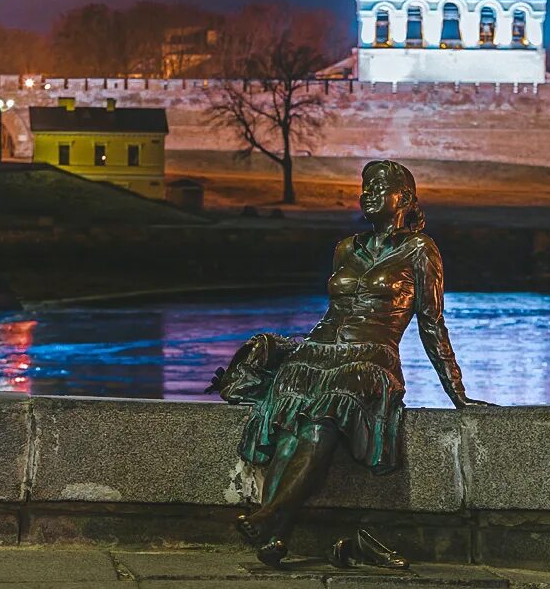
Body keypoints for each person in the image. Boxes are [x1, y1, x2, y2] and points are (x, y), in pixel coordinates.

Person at [208, 159, 490, 568]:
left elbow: (432, 323)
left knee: (326, 413)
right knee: (292, 417)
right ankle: (276, 533)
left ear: (405, 199)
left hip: (370, 359)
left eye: (379, 187)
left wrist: (457, 392)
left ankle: (271, 518)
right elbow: (331, 313)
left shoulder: (420, 250)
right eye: (365, 187)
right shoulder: (345, 248)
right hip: (316, 353)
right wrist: (294, 350)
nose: (368, 194)